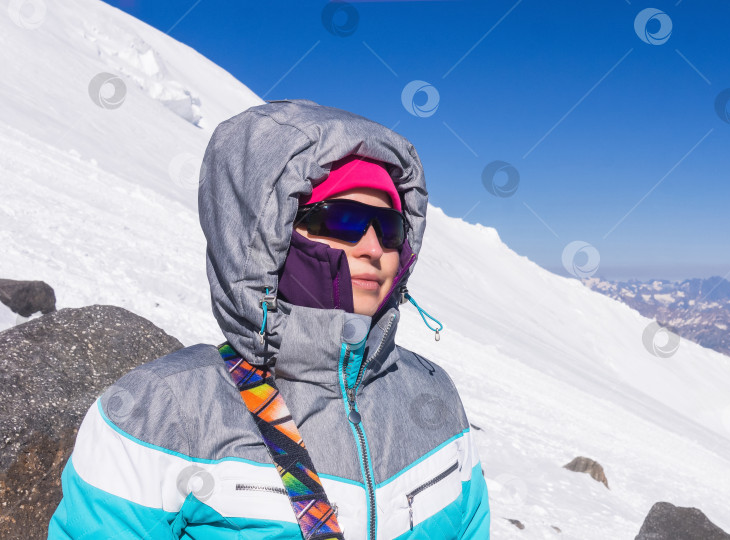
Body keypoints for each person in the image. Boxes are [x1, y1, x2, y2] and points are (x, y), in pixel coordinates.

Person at [48, 99, 490, 539]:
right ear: (266, 236)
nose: (373, 249)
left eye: (390, 228)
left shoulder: (434, 394)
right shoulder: (157, 412)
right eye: (344, 220)